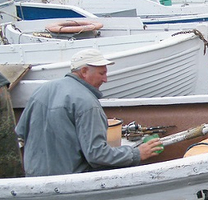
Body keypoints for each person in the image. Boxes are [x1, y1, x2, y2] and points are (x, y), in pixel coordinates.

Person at [15, 48, 164, 177]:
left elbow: (21, 132)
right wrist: (137, 153)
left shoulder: (41, 90)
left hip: (34, 177)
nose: (105, 79)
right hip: (69, 181)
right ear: (84, 71)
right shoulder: (86, 103)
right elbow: (97, 155)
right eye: (101, 73)